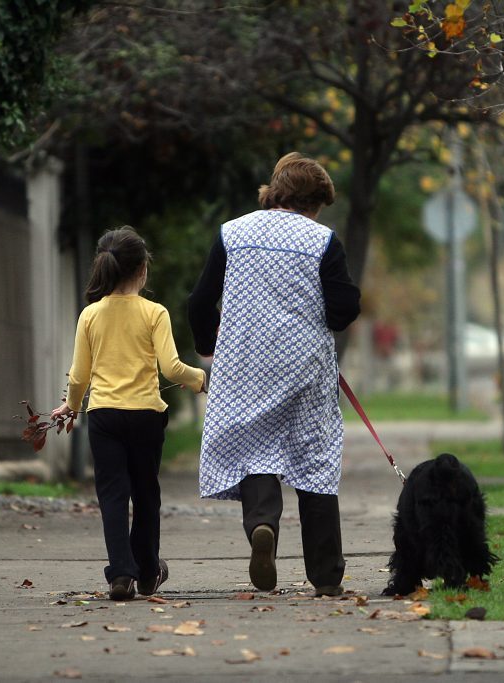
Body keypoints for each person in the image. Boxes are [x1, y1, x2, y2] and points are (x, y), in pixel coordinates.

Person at [187, 152, 361, 597]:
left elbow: (200, 301)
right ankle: (325, 576)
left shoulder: (233, 233)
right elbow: (343, 311)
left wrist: (209, 345)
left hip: (244, 360)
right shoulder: (323, 241)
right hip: (304, 365)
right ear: (312, 201)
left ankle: (263, 524)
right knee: (314, 462)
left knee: (255, 449)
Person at [52, 227, 206, 601]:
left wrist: (71, 407)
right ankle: (149, 572)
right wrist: (201, 378)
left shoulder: (90, 315)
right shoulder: (155, 312)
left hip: (104, 417)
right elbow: (171, 368)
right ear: (142, 270)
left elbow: (79, 375)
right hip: (146, 417)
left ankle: (121, 574)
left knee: (113, 497)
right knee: (146, 494)